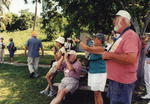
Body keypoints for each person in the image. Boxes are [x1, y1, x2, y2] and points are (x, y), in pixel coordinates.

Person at [102, 10, 141, 104]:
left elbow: (131, 58)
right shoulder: (124, 35)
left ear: (123, 21)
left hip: (122, 82)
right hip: (117, 81)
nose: (113, 21)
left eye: (115, 19)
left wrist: (109, 55)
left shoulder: (130, 35)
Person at [75, 33, 107, 104]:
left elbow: (87, 48)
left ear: (100, 40)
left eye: (95, 38)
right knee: (95, 93)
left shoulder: (101, 48)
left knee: (98, 93)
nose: (94, 39)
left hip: (99, 73)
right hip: (93, 72)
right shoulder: (95, 47)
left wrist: (80, 41)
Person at [142, 32, 150, 99]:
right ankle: (148, 93)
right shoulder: (148, 42)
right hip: (146, 60)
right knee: (146, 78)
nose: (149, 37)